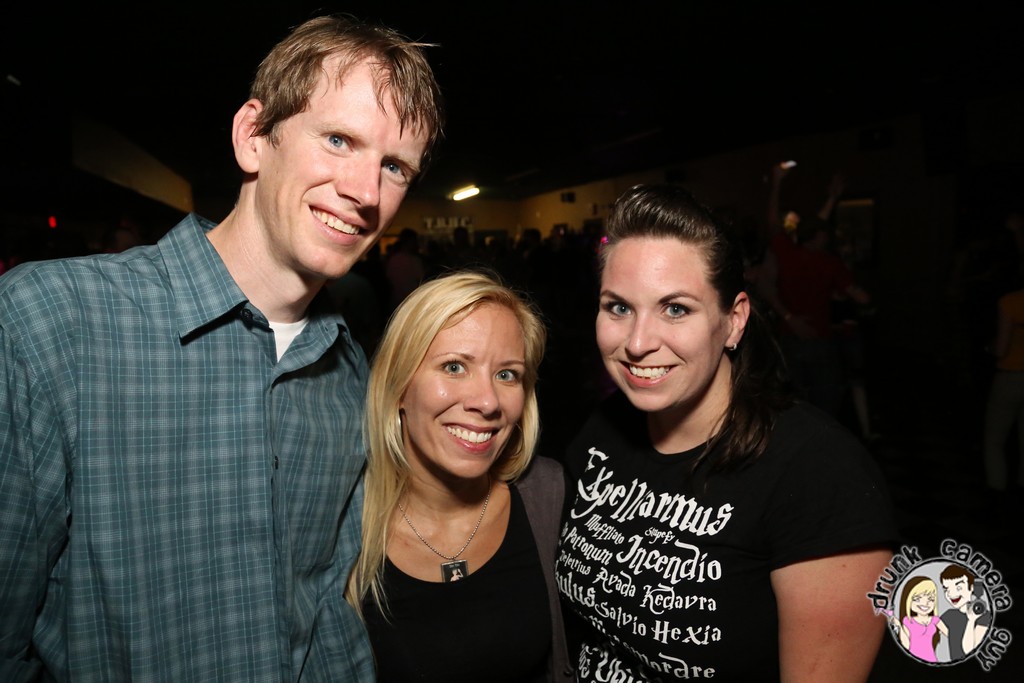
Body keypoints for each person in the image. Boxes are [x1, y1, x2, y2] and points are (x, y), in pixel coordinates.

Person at [0, 14, 443, 682]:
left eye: (394, 167)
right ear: (253, 137)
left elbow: (327, 612)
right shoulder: (54, 321)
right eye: (338, 140)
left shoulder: (350, 373)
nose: (365, 191)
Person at [556, 184, 898, 681]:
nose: (638, 342)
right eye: (619, 307)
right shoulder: (602, 430)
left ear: (734, 321)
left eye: (676, 308)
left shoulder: (819, 474)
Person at [346, 271, 572, 682]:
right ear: (399, 387)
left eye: (507, 374)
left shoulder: (549, 497)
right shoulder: (343, 524)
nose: (487, 402)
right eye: (454, 367)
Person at [939, 565, 991, 660]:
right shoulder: (949, 615)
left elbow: (969, 650)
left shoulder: (984, 616)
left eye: (958, 588)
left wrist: (971, 620)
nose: (951, 593)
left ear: (971, 587)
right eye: (946, 589)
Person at [889, 576, 947, 663]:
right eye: (917, 599)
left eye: (931, 599)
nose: (925, 603)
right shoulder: (908, 621)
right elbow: (906, 645)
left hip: (932, 659)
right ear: (908, 600)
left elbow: (951, 635)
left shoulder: (935, 620)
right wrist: (899, 626)